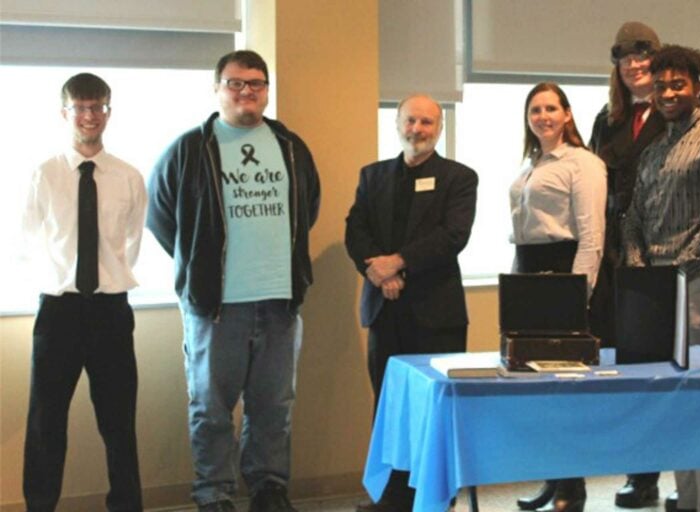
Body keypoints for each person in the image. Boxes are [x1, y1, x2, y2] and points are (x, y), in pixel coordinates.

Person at [146, 50, 320, 512]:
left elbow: (309, 208)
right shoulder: (190, 148)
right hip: (215, 306)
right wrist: (199, 264)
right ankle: (215, 494)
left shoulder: (290, 147)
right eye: (236, 83)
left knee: (274, 407)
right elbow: (162, 216)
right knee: (211, 408)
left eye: (256, 83)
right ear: (217, 88)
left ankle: (267, 487)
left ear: (266, 89)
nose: (246, 91)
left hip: (280, 302)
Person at [588, 22, 700, 509]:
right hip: (618, 255)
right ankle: (640, 474)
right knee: (631, 370)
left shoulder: (686, 114)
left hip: (676, 257)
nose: (635, 67)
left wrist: (669, 258)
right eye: (625, 60)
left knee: (679, 376)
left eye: (644, 58)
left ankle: (673, 484)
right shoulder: (608, 120)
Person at [623, 45, 700, 512]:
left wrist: (676, 269)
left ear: (696, 87)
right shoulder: (655, 149)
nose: (669, 92)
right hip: (656, 285)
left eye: (678, 84)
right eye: (661, 86)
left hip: (699, 280)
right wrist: (639, 264)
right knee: (675, 399)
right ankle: (688, 501)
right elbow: (634, 215)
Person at [345, 94, 478, 512]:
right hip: (384, 311)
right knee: (389, 406)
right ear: (397, 123)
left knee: (434, 410)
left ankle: (436, 497)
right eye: (410, 120)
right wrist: (376, 271)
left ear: (439, 128)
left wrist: (397, 264)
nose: (417, 129)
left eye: (427, 122)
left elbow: (452, 236)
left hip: (435, 313)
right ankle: (391, 497)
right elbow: (356, 231)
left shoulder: (459, 178)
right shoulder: (373, 176)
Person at [21, 73, 146, 512]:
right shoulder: (45, 174)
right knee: (45, 421)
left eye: (98, 107)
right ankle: (40, 505)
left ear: (108, 113)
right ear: (65, 112)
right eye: (81, 107)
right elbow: (31, 238)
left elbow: (130, 242)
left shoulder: (128, 176)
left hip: (111, 311)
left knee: (118, 423)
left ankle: (127, 506)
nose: (90, 116)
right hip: (59, 312)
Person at [510, 82, 606, 512]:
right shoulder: (532, 164)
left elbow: (592, 237)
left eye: (551, 108)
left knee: (567, 389)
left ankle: (573, 488)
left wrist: (578, 294)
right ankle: (552, 477)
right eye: (535, 109)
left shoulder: (582, 163)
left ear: (567, 114)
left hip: (564, 273)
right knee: (538, 386)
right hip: (529, 270)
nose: (542, 116)